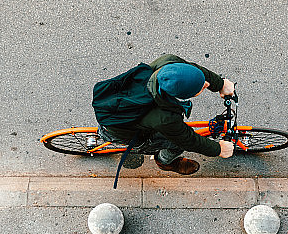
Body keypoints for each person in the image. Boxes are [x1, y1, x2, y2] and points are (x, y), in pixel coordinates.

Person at [97, 54, 235, 175]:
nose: (206, 84)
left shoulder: (168, 62)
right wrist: (218, 149)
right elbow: (188, 140)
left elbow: (191, 70)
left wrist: (220, 84)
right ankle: (164, 161)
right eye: (201, 87)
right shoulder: (165, 118)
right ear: (184, 96)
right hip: (119, 131)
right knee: (176, 144)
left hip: (118, 103)